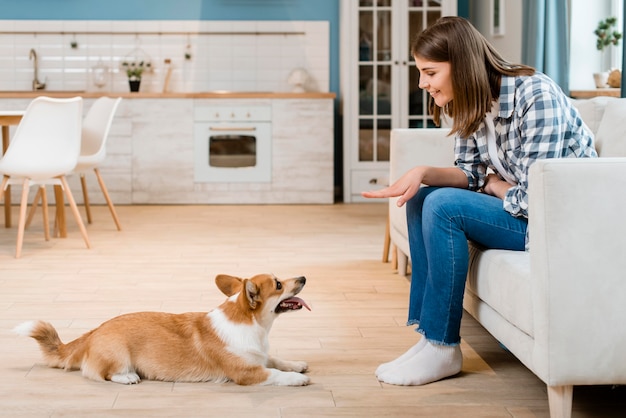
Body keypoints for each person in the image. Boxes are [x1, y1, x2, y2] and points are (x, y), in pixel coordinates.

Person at [362, 16, 597, 386]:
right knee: (422, 199)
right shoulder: (473, 103)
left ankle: (443, 347)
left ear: (463, 65)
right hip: (525, 211)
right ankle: (429, 338)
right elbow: (471, 175)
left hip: (559, 224)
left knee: (444, 207)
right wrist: (422, 172)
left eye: (430, 72)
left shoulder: (536, 96)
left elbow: (540, 199)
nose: (422, 83)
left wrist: (495, 186)